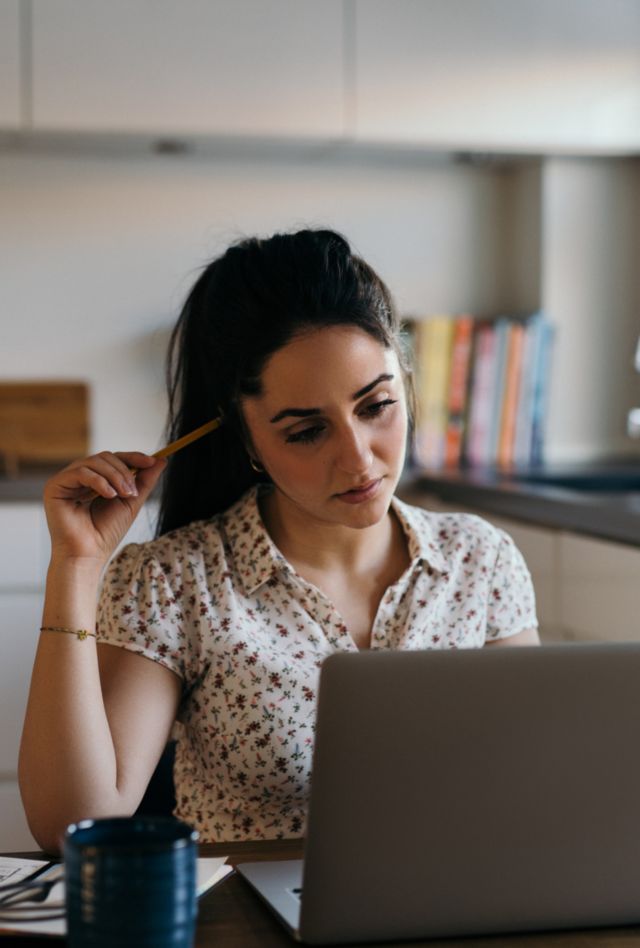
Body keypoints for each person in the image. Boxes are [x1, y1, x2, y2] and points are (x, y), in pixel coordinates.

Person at [19, 229, 540, 853]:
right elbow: (70, 825)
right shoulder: (175, 581)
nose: (358, 461)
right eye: (305, 432)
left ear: (404, 382)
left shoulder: (481, 560)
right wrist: (76, 567)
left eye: (376, 406)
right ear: (247, 441)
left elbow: (537, 782)